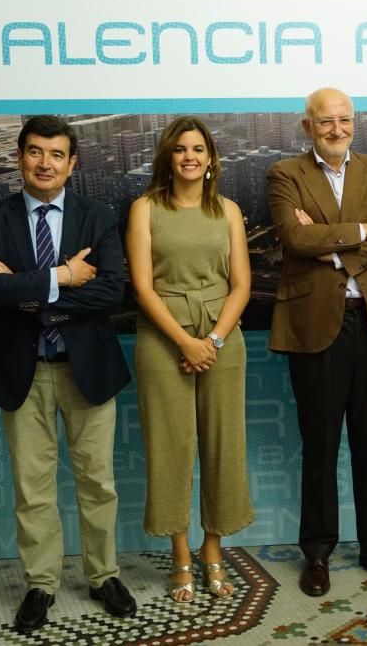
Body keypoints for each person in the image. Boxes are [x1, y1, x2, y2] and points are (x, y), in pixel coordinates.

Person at [0, 115, 136, 632]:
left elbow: (112, 290)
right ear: (20, 157)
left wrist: (28, 292)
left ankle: (103, 574)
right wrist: (62, 277)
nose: (45, 163)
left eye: (56, 154)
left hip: (87, 366)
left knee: (98, 482)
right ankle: (41, 585)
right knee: (32, 487)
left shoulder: (98, 214)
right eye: (35, 152)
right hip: (22, 370)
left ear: (72, 163)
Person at [267, 87, 367, 597]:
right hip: (316, 325)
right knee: (321, 446)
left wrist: (334, 243)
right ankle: (319, 552)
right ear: (307, 126)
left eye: (344, 120)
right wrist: (360, 230)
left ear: (355, 124)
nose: (336, 129)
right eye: (325, 122)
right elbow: (294, 238)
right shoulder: (285, 173)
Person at [125, 116, 254, 602]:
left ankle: (213, 548)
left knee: (224, 444)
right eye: (180, 149)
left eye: (198, 149)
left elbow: (241, 284)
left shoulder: (229, 211)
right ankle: (180, 551)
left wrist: (213, 342)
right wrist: (185, 341)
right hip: (163, 336)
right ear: (168, 157)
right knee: (171, 445)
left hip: (222, 334)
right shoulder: (144, 209)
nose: (190, 157)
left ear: (211, 158)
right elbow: (141, 287)